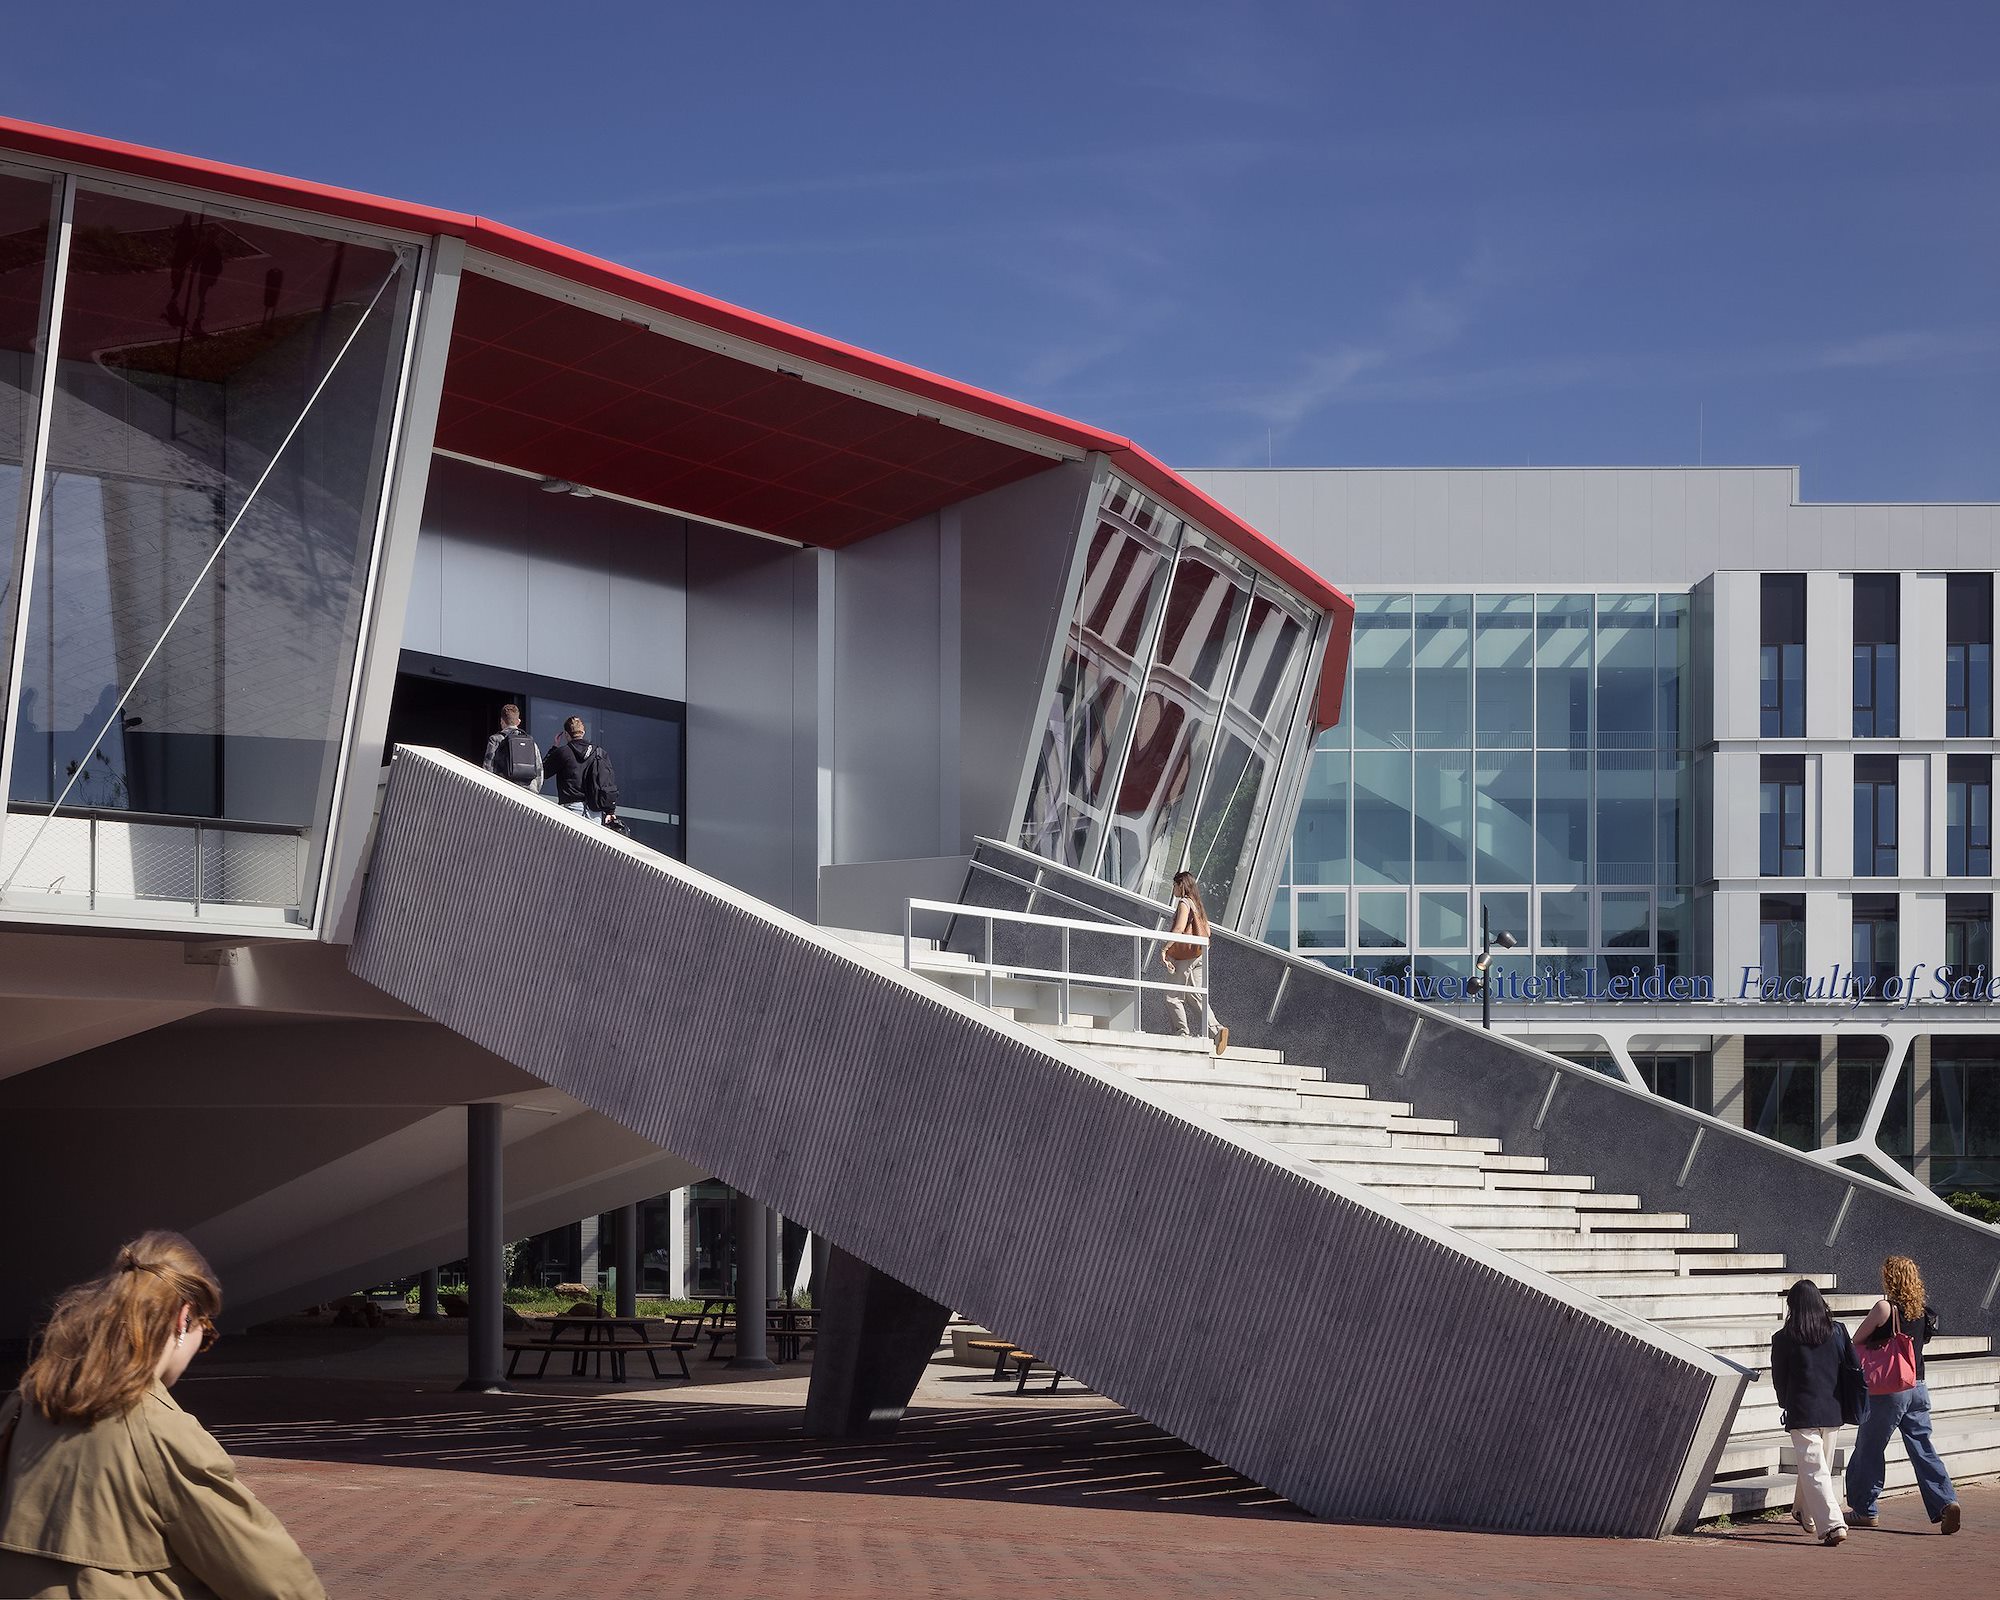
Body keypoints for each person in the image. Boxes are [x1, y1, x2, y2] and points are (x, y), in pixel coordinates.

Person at [0, 1230, 325, 1597]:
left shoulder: (25, 1402)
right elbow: (277, 1582)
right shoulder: (159, 1431)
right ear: (183, 1318)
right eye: (207, 1330)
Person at [1845, 1254, 1962, 1534]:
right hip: (1918, 1386)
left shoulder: (1885, 1308)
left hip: (1889, 1389)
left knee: (1869, 1448)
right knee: (1922, 1447)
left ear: (1890, 1278)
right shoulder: (1922, 1311)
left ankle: (1865, 1509)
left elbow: (1856, 1340)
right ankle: (1946, 1501)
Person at [1769, 1278, 1853, 1546]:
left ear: (1792, 1306)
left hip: (1802, 1410)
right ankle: (1803, 1511)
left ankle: (1833, 1524)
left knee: (1815, 1468)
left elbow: (1779, 1378)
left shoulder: (1783, 1338)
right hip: (1832, 1409)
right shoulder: (1837, 1331)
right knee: (1818, 1466)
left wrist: (1785, 1402)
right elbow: (1851, 1368)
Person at [1161, 870, 1228, 1055]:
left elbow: (1179, 928)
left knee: (1172, 996)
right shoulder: (1197, 903)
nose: (1173, 889)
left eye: (1174, 885)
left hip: (1184, 957)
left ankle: (1182, 1033)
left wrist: (1164, 949)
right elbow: (1208, 931)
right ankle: (1217, 1031)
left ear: (1181, 885)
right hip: (1199, 955)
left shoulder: (1184, 902)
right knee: (1194, 996)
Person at [541, 716, 620, 827]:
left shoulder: (563, 752)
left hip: (572, 806)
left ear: (566, 734)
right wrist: (610, 811)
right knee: (591, 838)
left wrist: (554, 748)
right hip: (594, 809)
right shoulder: (599, 752)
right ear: (583, 732)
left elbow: (543, 772)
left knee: (570, 838)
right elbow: (608, 782)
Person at [481, 703, 542, 791]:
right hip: (528, 791)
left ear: (502, 721)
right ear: (518, 722)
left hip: (505, 789)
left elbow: (488, 768)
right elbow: (539, 773)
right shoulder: (531, 742)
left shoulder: (496, 739)